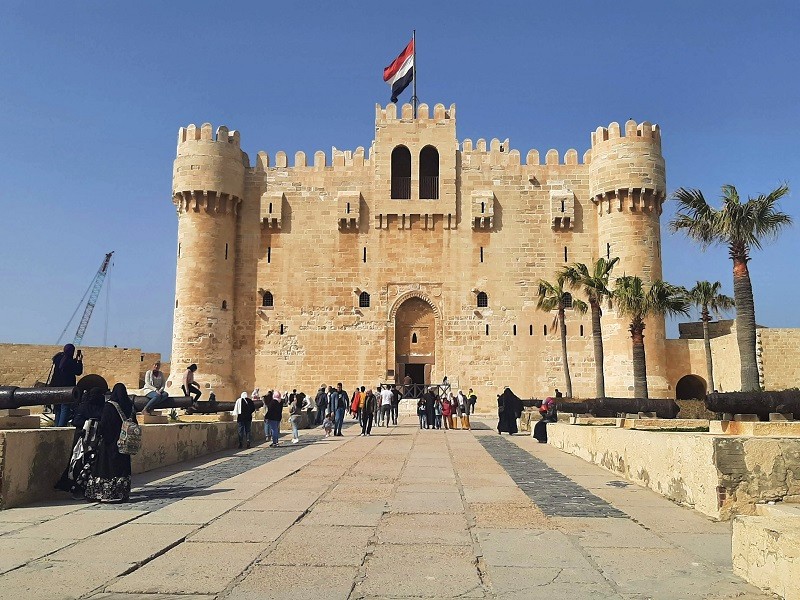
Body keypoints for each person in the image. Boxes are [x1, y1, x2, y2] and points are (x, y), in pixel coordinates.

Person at [85, 383, 136, 503]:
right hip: (125, 443)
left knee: (106, 468)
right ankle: (122, 494)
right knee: (122, 468)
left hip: (110, 443)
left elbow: (104, 425)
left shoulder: (110, 406)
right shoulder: (129, 406)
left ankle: (107, 494)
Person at [55, 387, 104, 498]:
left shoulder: (83, 406)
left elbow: (76, 421)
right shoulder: (102, 408)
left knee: (77, 461)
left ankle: (73, 486)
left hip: (81, 438)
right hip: (96, 442)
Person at [50, 343, 84, 427]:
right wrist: (79, 361)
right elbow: (78, 371)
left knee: (57, 409)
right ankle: (60, 429)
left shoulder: (58, 359)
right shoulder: (70, 362)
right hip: (67, 389)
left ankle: (56, 428)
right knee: (65, 408)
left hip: (55, 387)